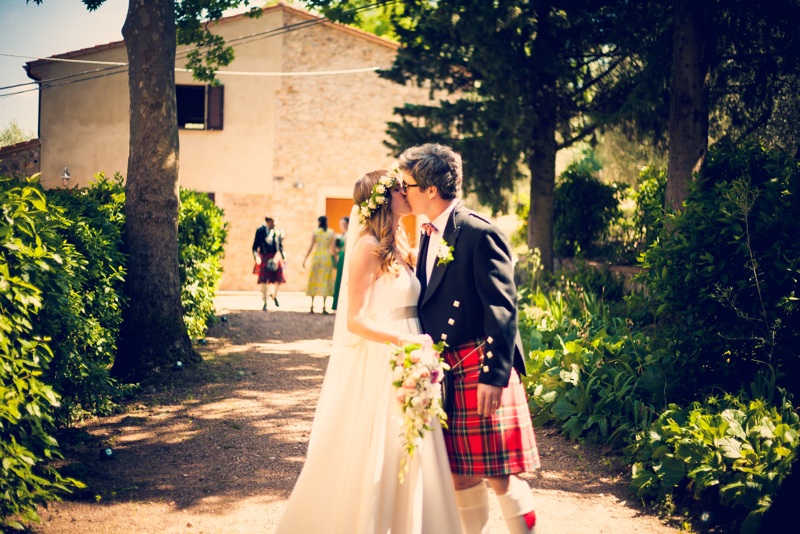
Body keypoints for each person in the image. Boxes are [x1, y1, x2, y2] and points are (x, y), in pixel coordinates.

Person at [276, 170, 462, 533]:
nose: (407, 194)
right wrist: (404, 343)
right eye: (399, 189)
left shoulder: (405, 245)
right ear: (383, 199)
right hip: (387, 356)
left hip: (414, 354)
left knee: (414, 442)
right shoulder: (366, 247)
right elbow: (355, 320)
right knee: (385, 443)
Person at [399, 143, 540, 534]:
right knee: (460, 476)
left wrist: (495, 376)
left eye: (407, 183)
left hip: (480, 365)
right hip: (447, 370)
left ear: (430, 189)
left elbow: (503, 309)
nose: (402, 190)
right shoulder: (428, 233)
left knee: (500, 476)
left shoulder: (479, 233)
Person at [302, 215, 336, 314]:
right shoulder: (331, 232)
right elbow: (333, 249)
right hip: (326, 258)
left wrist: (305, 258)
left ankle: (312, 307)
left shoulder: (315, 232)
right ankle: (324, 307)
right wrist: (335, 260)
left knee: (314, 279)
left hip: (317, 257)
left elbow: (311, 246)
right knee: (325, 280)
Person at [252, 215, 286, 311]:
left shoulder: (278, 231)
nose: (274, 224)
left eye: (275, 222)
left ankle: (274, 295)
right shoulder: (260, 231)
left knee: (279, 279)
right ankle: (265, 302)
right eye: (272, 222)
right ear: (268, 221)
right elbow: (254, 247)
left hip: (275, 257)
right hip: (264, 256)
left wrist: (284, 257)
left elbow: (280, 246)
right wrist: (256, 257)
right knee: (263, 280)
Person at [330, 216, 349, 311]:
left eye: (343, 224)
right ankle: (336, 304)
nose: (341, 226)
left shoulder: (348, 234)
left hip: (345, 258)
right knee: (338, 280)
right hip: (340, 257)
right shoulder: (341, 235)